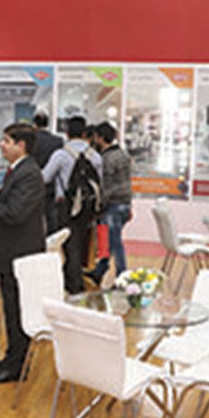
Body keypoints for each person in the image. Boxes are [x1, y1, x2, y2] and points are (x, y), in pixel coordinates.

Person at [0, 123, 45, 383]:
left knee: (17, 311)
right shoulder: (18, 170)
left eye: (7, 141)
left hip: (19, 253)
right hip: (12, 253)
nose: (1, 145)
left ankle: (16, 366)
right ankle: (12, 357)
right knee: (11, 309)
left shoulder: (28, 173)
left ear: (21, 145)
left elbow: (15, 214)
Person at [43, 116, 102, 293]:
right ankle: (73, 278)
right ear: (85, 134)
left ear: (67, 133)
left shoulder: (61, 154)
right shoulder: (95, 156)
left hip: (65, 205)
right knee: (81, 241)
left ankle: (75, 284)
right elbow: (100, 182)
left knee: (69, 243)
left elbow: (45, 177)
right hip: (87, 206)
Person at [89, 122, 132, 283]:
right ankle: (100, 269)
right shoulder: (123, 154)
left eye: (95, 137)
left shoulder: (106, 159)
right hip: (124, 202)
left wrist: (99, 206)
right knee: (106, 238)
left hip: (113, 204)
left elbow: (107, 186)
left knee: (114, 241)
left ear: (100, 138)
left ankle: (122, 275)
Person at [32, 110, 63, 232]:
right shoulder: (57, 141)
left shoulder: (30, 140)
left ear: (34, 123)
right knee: (51, 216)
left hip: (32, 183)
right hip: (51, 184)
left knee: (33, 215)